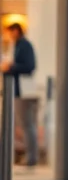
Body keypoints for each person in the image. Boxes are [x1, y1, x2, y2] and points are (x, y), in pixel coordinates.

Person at [2, 23, 38, 167]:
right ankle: (21, 155)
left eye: (10, 32)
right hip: (15, 91)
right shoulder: (17, 45)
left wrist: (10, 67)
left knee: (27, 124)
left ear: (16, 31)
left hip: (22, 92)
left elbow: (30, 66)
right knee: (20, 124)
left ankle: (31, 157)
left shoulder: (24, 45)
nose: (9, 36)